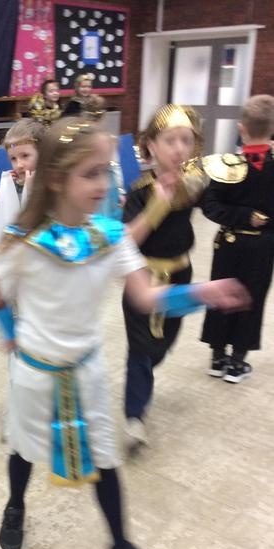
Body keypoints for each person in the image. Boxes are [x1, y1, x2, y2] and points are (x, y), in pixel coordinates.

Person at [0, 118, 249, 549]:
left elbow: (146, 298)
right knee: (24, 446)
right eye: (90, 173)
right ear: (56, 179)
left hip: (87, 374)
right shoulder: (25, 242)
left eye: (105, 170)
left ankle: (121, 548)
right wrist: (7, 331)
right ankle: (15, 505)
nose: (103, 184)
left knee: (105, 458)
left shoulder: (109, 236)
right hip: (35, 374)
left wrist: (201, 292)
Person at [122, 104, 206, 450]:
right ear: (151, 145)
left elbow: (222, 203)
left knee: (163, 343)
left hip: (180, 274)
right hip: (142, 276)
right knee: (141, 348)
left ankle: (144, 373)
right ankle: (135, 414)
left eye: (186, 140)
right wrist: (159, 203)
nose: (179, 149)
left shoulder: (193, 185)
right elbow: (128, 241)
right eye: (170, 140)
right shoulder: (140, 190)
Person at [200, 94, 274, 383]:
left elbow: (209, 205)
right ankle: (236, 361)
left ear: (241, 128)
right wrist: (253, 217)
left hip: (231, 241)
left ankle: (218, 357)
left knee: (222, 294)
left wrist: (240, 216)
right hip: (262, 245)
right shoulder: (230, 165)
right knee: (251, 299)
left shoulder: (227, 165)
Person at [0, 118, 45, 251]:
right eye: (13, 158)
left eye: (25, 156)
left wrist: (33, 192)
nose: (19, 165)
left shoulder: (55, 187)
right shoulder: (11, 187)